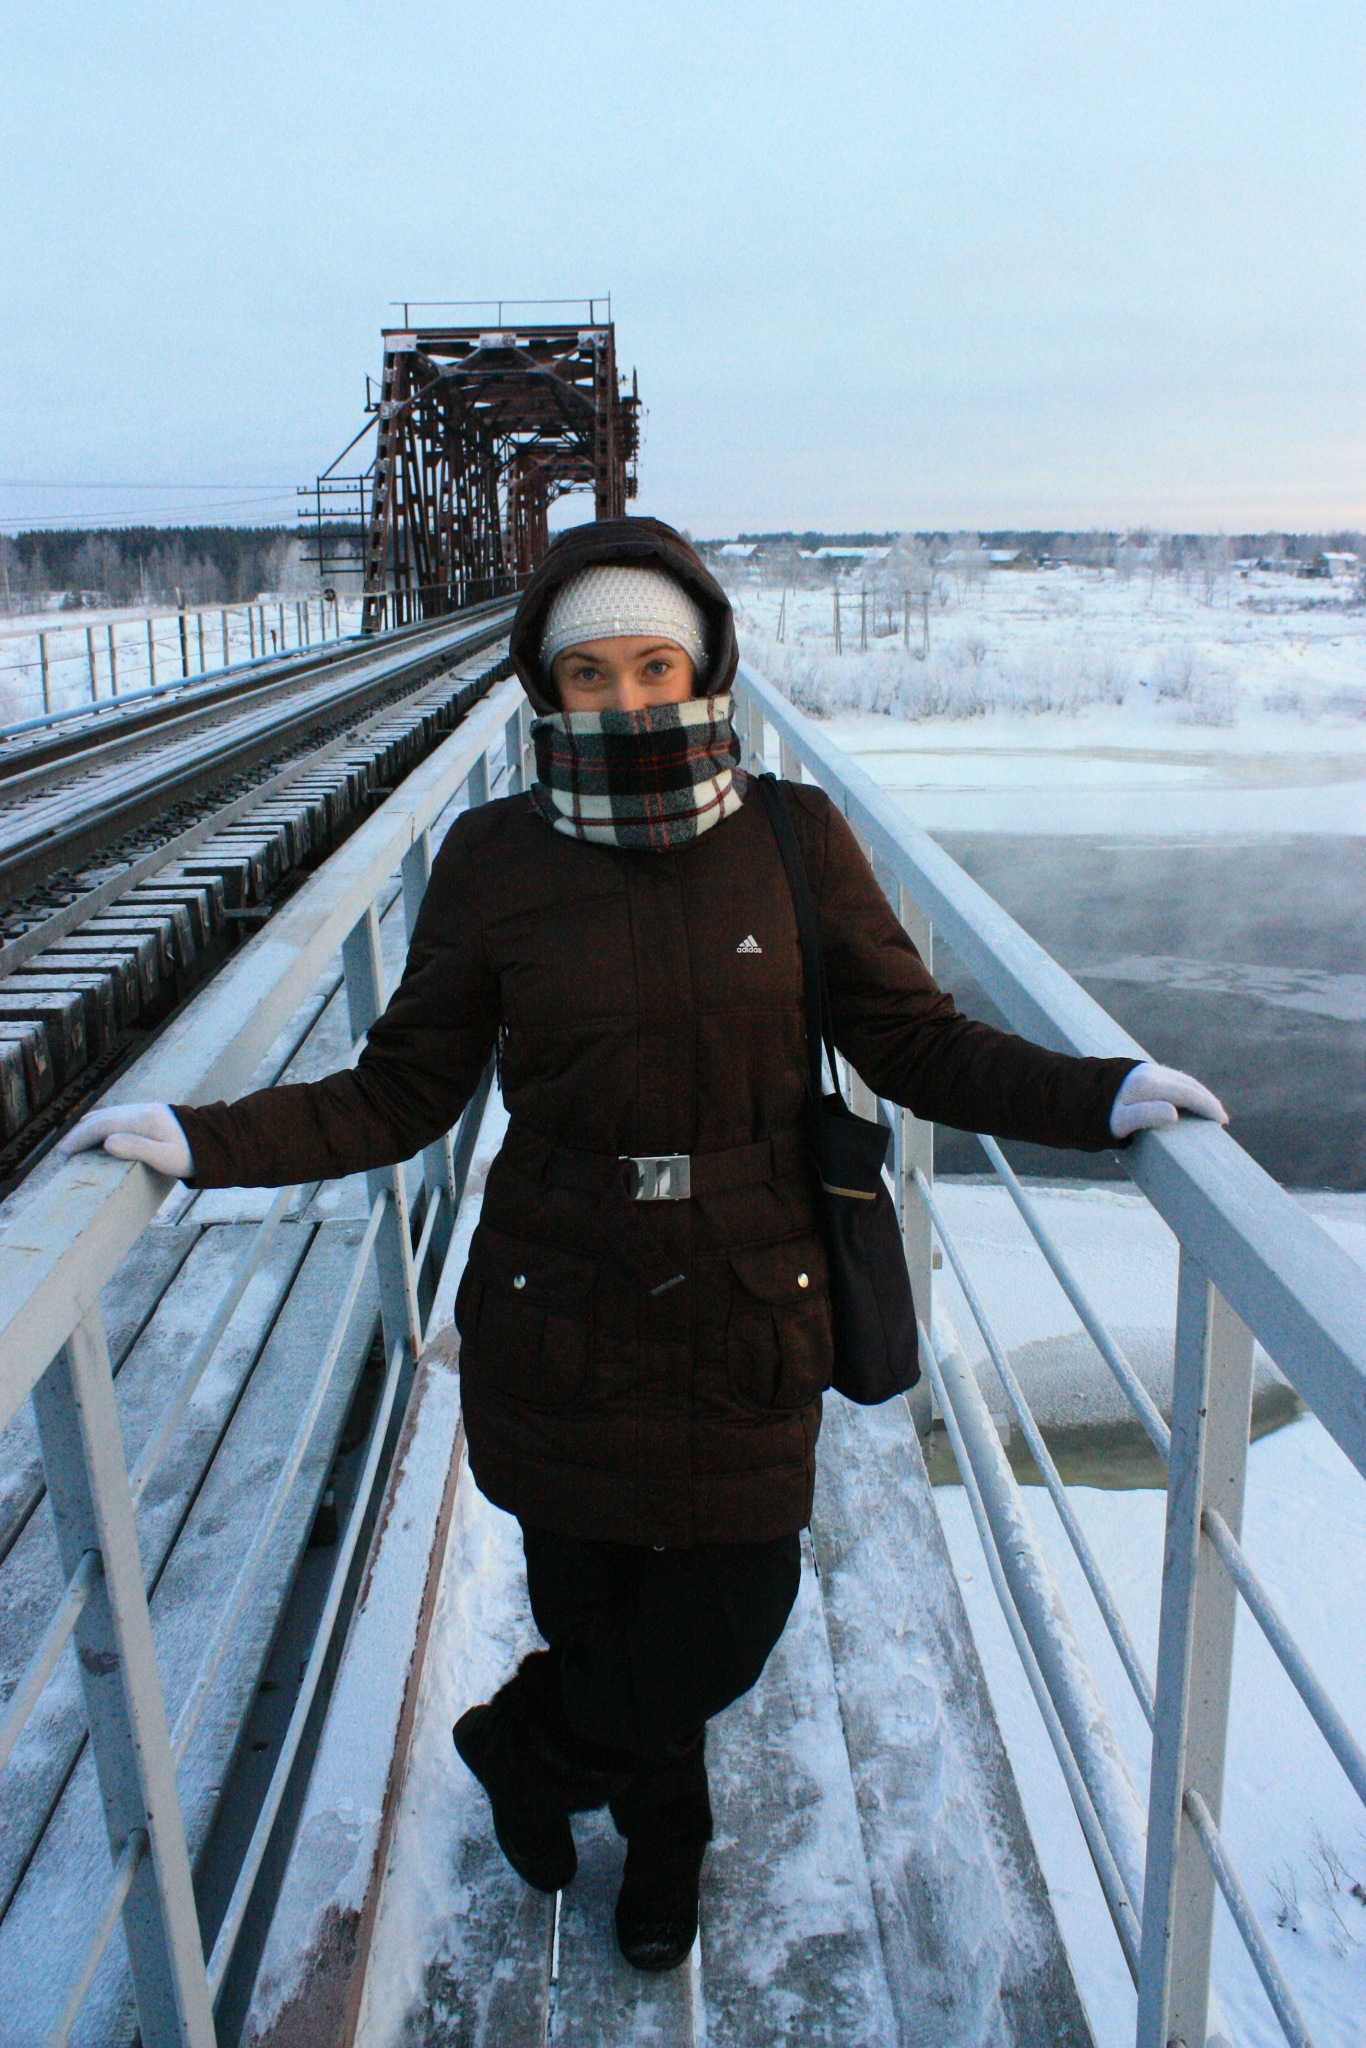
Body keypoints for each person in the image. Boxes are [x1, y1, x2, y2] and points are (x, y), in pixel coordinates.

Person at [63, 517, 1226, 1973]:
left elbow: (912, 1039)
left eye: (653, 665)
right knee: (596, 1610)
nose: (624, 698)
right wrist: (205, 1140)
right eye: (590, 672)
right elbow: (405, 1089)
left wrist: (1097, 1097)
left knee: (727, 1616)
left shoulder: (794, 839)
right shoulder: (495, 856)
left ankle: (525, 1755)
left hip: (748, 1298)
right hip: (562, 1299)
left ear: (706, 667)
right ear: (546, 689)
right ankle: (666, 1846)